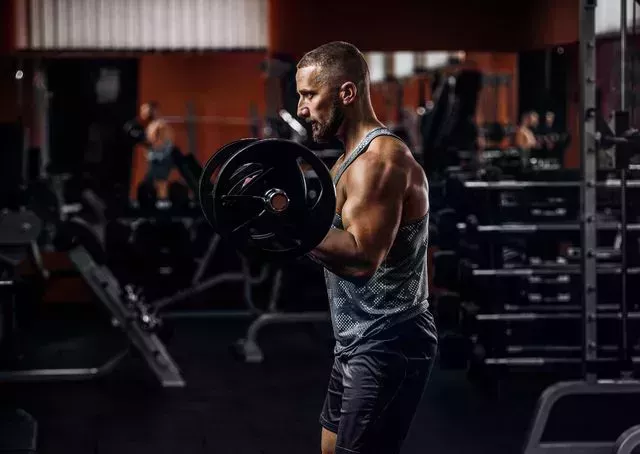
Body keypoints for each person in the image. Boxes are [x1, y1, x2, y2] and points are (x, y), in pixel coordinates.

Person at [296, 41, 438, 454]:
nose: (302, 108)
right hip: (356, 339)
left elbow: (361, 261)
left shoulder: (380, 161)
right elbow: (325, 241)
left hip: (390, 339)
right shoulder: (344, 163)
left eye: (309, 95)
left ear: (346, 93)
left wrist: (293, 226)